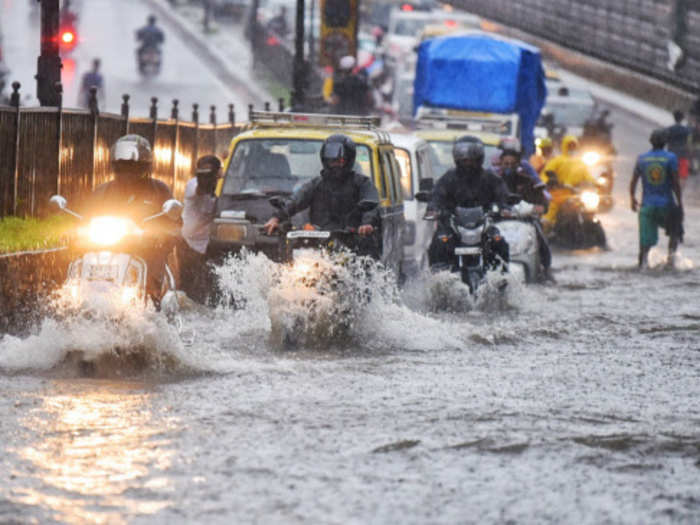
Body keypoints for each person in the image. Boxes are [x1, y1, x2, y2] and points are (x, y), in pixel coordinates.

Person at [81, 134, 180, 303]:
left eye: (132, 166)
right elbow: (86, 219)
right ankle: (72, 302)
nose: (127, 171)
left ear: (144, 166)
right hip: (108, 249)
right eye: (122, 166)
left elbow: (175, 223)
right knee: (77, 264)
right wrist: (76, 231)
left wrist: (160, 235)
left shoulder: (158, 190)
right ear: (114, 166)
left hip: (147, 251)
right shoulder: (102, 191)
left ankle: (153, 306)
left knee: (154, 272)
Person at [263, 134, 380, 257]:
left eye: (340, 161)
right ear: (324, 160)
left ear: (349, 160)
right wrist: (276, 218)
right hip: (318, 246)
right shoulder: (316, 184)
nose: (335, 165)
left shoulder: (363, 184)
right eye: (331, 161)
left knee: (365, 267)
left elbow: (371, 204)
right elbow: (296, 201)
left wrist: (367, 224)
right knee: (286, 266)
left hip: (353, 246)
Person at [427, 136, 510, 270]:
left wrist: (504, 207)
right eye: (464, 160)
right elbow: (437, 195)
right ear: (457, 159)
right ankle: (439, 277)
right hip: (453, 225)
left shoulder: (490, 178)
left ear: (479, 159)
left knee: (499, 241)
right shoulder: (448, 178)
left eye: (472, 160)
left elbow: (502, 194)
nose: (468, 163)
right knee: (438, 242)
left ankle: (500, 275)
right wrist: (433, 208)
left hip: (483, 225)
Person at [498, 140, 554, 282]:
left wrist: (539, 207)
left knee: (541, 238)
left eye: (512, 164)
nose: (509, 167)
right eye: (506, 164)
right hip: (498, 222)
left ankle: (545, 270)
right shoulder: (494, 182)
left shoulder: (528, 182)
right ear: (500, 164)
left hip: (525, 222)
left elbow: (542, 202)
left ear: (518, 164)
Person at [630, 129, 683, 269]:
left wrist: (632, 199)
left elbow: (633, 181)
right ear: (665, 142)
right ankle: (671, 262)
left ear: (651, 141)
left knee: (644, 242)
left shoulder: (641, 158)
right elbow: (675, 182)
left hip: (646, 207)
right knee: (675, 232)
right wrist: (680, 203)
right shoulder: (670, 158)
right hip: (667, 206)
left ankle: (642, 264)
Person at [179, 155, 222, 304]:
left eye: (210, 173)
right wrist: (206, 179)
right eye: (202, 173)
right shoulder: (193, 185)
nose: (206, 177)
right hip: (186, 246)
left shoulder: (220, 194)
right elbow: (199, 189)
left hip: (205, 250)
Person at [540, 134, 597, 227]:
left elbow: (588, 176)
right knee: (550, 214)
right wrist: (548, 182)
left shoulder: (580, 163)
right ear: (564, 146)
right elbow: (545, 174)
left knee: (588, 211)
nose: (571, 148)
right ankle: (545, 232)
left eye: (573, 146)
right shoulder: (557, 161)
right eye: (569, 146)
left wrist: (596, 183)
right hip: (558, 193)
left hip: (576, 195)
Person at [665, 110, 692, 187]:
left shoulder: (669, 129)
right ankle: (679, 193)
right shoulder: (687, 130)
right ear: (682, 119)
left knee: (669, 174)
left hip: (671, 155)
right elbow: (689, 144)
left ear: (674, 118)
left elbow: (665, 141)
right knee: (682, 177)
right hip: (682, 156)